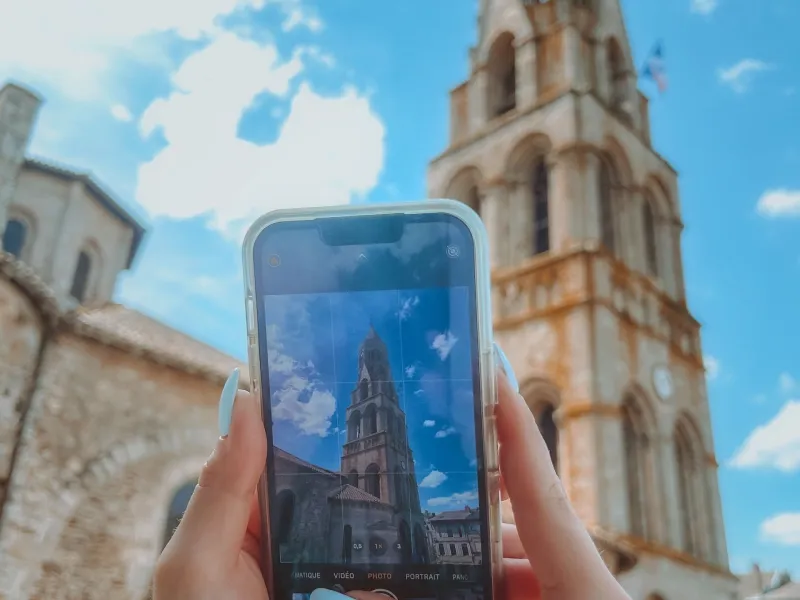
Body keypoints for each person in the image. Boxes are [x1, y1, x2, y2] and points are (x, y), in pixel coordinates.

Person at [153, 346, 631, 600]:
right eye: (364, 388)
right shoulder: (352, 443)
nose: (365, 403)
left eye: (372, 375)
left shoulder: (391, 439)